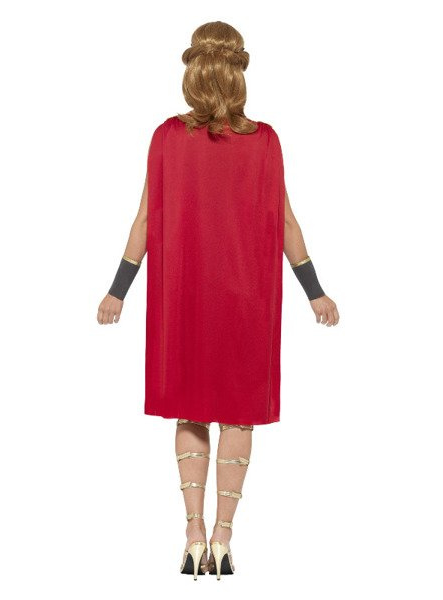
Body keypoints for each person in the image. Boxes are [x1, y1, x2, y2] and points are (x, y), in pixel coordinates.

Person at [97, 20, 340, 580]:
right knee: (237, 411)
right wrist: (316, 292)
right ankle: (224, 538)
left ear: (192, 70)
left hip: (184, 294)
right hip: (247, 299)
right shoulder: (266, 141)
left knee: (191, 406)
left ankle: (192, 534)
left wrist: (117, 291)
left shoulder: (166, 137)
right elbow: (286, 224)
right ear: (239, 72)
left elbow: (145, 221)